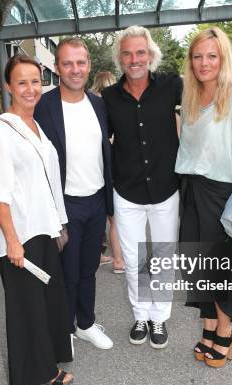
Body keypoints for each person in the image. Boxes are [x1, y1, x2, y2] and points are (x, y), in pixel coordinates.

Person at [102, 25, 232, 349]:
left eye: (140, 52)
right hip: (126, 190)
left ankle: (160, 318)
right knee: (134, 258)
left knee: (164, 256)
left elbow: (212, 79)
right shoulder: (109, 98)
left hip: (167, 188)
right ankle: (141, 314)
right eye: (127, 53)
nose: (134, 59)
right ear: (119, 59)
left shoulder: (173, 86)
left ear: (151, 55)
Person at [0, 55, 73, 385]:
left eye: (35, 81)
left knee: (48, 301)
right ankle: (40, 371)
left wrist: (60, 224)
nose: (30, 88)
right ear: (9, 87)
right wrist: (12, 241)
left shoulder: (36, 126)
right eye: (22, 82)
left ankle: (51, 357)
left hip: (44, 227)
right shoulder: (0, 131)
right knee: (28, 308)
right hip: (20, 233)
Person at [175, 27, 232, 368]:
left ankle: (227, 331)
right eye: (197, 56)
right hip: (192, 190)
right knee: (195, 266)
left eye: (212, 55)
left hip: (222, 193)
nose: (203, 62)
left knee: (216, 268)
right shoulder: (192, 97)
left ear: (223, 58)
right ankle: (209, 326)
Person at [34, 38, 114, 350]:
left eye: (80, 63)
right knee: (65, 271)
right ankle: (64, 328)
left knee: (89, 268)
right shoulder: (43, 106)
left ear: (89, 65)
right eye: (67, 63)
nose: (75, 69)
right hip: (63, 202)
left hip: (95, 200)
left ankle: (86, 323)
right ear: (56, 68)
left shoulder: (99, 104)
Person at [91, 71, 126, 274]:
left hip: (93, 167)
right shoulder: (112, 105)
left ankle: (98, 254)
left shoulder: (90, 102)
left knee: (99, 214)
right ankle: (119, 260)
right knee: (115, 217)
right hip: (111, 165)